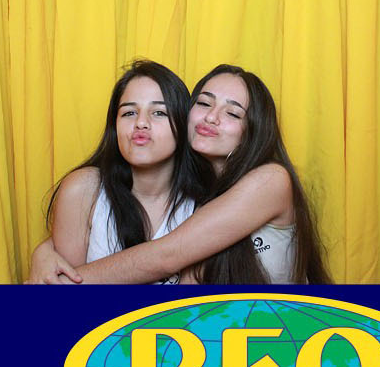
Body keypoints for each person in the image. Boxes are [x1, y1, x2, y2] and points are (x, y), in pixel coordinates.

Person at [28, 65, 330, 286]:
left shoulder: (271, 180)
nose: (211, 116)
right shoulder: (205, 199)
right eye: (204, 103)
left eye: (233, 113)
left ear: (254, 130)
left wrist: (60, 283)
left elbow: (167, 255)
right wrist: (45, 251)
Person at [29, 61, 203, 285]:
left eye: (159, 112)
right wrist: (42, 252)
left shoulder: (202, 205)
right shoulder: (83, 190)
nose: (141, 123)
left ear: (183, 124)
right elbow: (65, 294)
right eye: (129, 112)